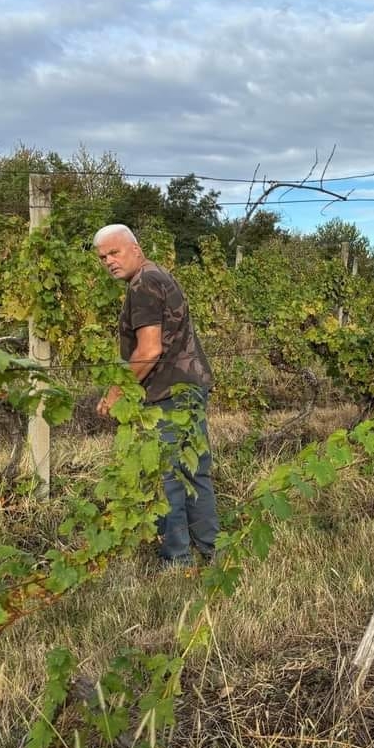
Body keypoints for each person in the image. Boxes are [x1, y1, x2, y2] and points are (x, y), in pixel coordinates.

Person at [94, 224, 218, 568]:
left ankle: (177, 559)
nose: (108, 262)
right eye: (103, 257)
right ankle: (210, 549)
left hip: (167, 395)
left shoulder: (143, 285)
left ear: (135, 248)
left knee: (167, 478)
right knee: (194, 472)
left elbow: (148, 350)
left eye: (114, 252)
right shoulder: (158, 274)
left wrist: (115, 392)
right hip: (189, 388)